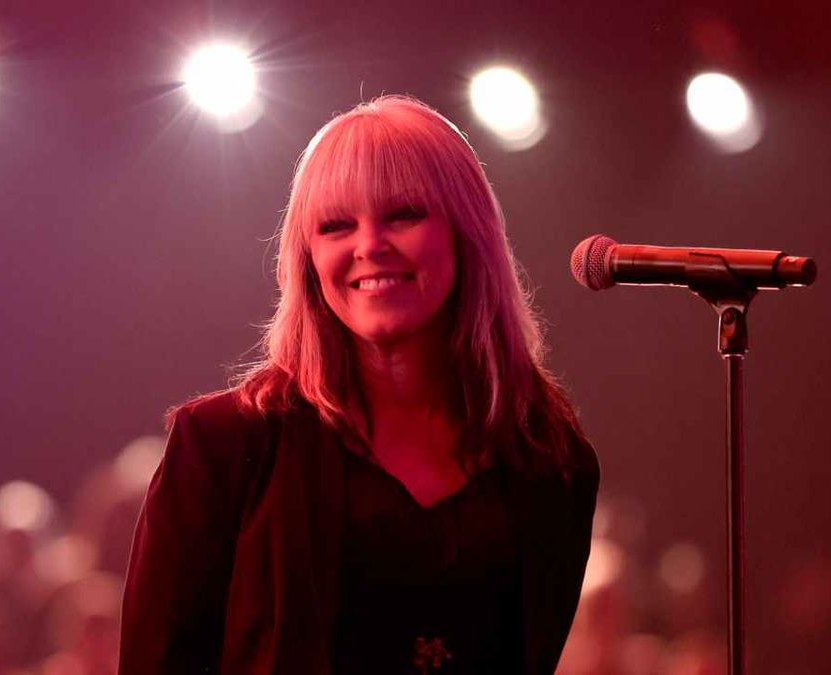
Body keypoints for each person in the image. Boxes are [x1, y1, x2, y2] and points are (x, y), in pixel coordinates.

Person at [119, 95, 600, 674]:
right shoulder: (224, 444)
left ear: (466, 233)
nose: (369, 245)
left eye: (402, 214)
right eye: (336, 225)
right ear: (307, 260)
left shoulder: (550, 455)